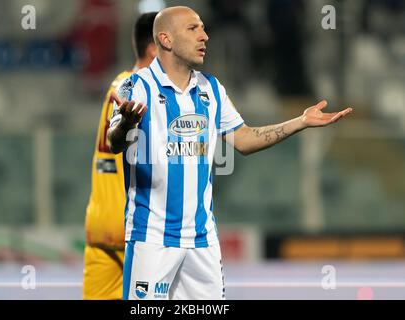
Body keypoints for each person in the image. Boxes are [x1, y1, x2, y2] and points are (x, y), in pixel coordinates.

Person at [108, 6, 352, 300]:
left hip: (202, 241)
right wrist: (127, 125)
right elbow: (114, 142)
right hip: (152, 238)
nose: (205, 36)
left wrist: (300, 122)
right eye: (193, 29)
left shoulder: (211, 89)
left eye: (203, 28)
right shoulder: (136, 86)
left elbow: (245, 140)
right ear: (166, 39)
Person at [83, 11, 158, 300]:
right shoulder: (143, 91)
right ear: (155, 48)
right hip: (136, 230)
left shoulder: (117, 83)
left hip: (101, 227)